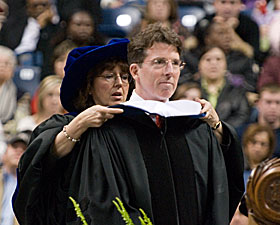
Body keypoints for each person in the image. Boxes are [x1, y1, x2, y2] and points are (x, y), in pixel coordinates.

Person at [13, 24, 244, 225]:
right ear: (88, 86)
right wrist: (78, 125)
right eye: (107, 76)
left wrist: (217, 126)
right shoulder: (78, 126)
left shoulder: (166, 122)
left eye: (124, 77)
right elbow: (38, 171)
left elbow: (219, 180)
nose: (119, 84)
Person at [197, 46, 251, 128]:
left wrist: (220, 130)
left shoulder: (237, 89)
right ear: (199, 64)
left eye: (218, 59)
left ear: (226, 64)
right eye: (208, 59)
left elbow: (242, 116)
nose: (213, 63)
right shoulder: (189, 87)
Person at [236, 83, 280, 158]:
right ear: (258, 103)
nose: (273, 107)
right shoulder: (242, 133)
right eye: (268, 102)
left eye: (278, 103)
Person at [0, 131, 31, 225]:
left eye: (24, 148)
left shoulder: (31, 184)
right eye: (15, 146)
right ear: (4, 153)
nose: (19, 150)